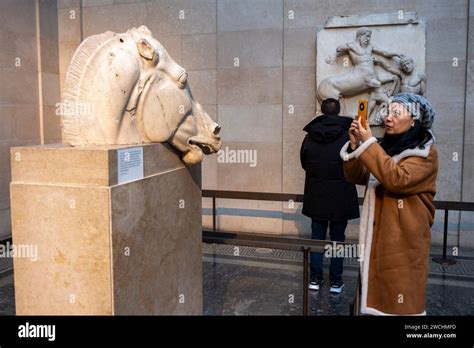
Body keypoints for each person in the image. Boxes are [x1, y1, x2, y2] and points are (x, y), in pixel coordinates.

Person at [339, 92, 438, 315]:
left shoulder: (425, 154)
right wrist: (356, 146)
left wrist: (369, 144)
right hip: (379, 237)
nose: (388, 118)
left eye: (396, 113)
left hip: (402, 242)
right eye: (387, 112)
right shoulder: (384, 148)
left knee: (398, 301)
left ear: (414, 120)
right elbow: (357, 176)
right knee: (374, 292)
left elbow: (397, 180)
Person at [300, 98, 360, 294]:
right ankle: (336, 281)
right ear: (338, 111)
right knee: (337, 239)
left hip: (316, 194)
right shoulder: (347, 136)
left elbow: (304, 162)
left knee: (317, 237)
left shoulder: (310, 136)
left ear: (322, 111)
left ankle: (315, 279)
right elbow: (355, 164)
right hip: (340, 196)